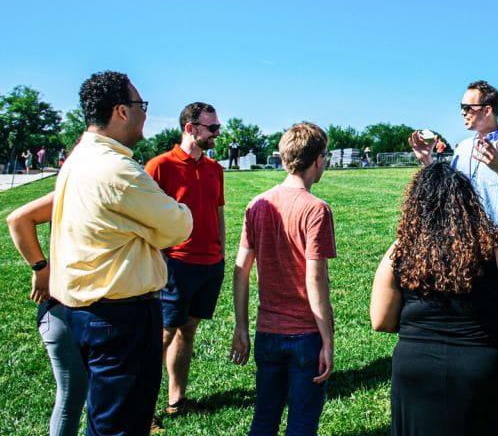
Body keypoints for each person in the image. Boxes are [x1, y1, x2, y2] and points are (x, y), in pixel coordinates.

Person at [46, 70, 193, 434]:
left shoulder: (80, 157)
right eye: (141, 105)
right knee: (122, 425)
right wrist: (162, 221)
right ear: (121, 111)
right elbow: (178, 226)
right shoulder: (118, 169)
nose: (146, 113)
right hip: (120, 318)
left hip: (87, 312)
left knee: (105, 418)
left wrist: (143, 228)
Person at [370, 162, 498, 436]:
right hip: (481, 368)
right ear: (469, 202)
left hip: (416, 369)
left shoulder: (401, 249)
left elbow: (380, 320)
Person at [231, 122, 336, 436]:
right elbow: (315, 280)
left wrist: (241, 326)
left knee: (264, 418)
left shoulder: (257, 204)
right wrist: (327, 340)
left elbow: (240, 270)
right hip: (305, 334)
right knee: (302, 424)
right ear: (318, 159)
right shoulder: (316, 210)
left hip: (267, 333)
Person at [144, 102, 226, 417]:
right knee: (161, 335)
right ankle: (143, 409)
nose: (217, 133)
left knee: (188, 330)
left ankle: (176, 400)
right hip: (175, 265)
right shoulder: (159, 166)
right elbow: (147, 219)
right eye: (212, 128)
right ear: (190, 128)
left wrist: (221, 252)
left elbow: (218, 211)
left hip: (209, 264)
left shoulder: (214, 168)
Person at [409, 80, 498, 244]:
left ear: (487, 110)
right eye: (461, 106)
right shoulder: (463, 148)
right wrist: (427, 160)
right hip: (462, 243)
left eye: (467, 107)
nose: (462, 112)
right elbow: (448, 192)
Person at [7, 191, 89, 436]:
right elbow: (18, 219)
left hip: (93, 305)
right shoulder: (71, 189)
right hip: (63, 306)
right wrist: (40, 269)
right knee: (72, 394)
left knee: (93, 392)